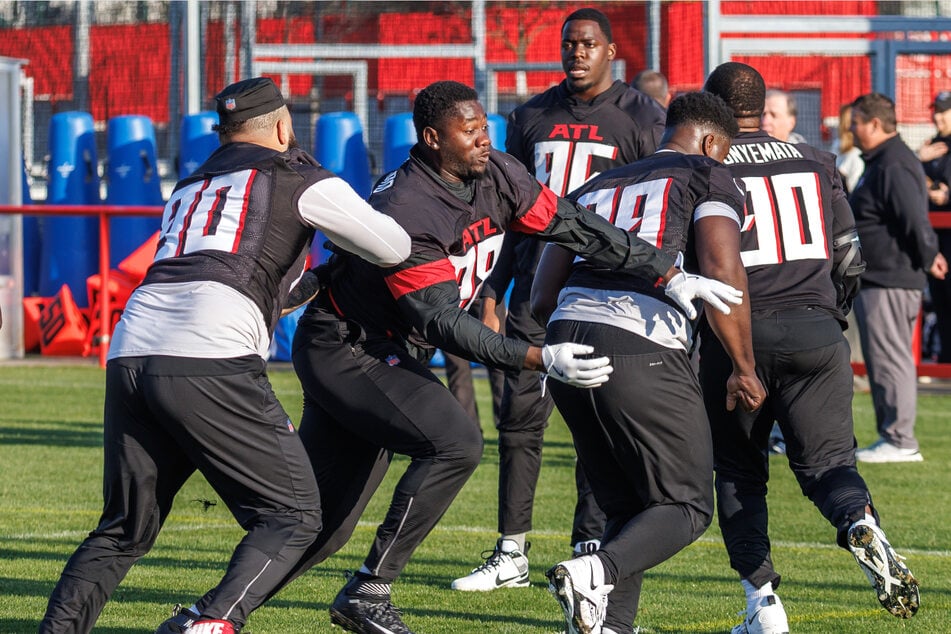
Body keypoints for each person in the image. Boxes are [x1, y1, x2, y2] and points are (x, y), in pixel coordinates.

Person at [177, 80, 737, 634]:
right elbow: (442, 322)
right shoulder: (408, 205)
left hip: (388, 348)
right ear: (431, 138)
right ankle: (370, 590)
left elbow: (571, 224)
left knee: (322, 527)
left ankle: (211, 617)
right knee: (456, 442)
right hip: (348, 346)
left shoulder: (494, 172)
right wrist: (537, 358)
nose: (483, 139)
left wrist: (664, 270)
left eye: (485, 126)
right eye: (469, 132)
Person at [40, 77, 414, 634]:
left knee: (124, 527)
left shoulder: (192, 182)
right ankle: (211, 621)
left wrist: (317, 276)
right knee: (293, 515)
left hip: (133, 346)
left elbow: (251, 279)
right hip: (208, 352)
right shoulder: (297, 174)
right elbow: (394, 246)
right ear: (284, 127)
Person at [451, 7, 669, 592]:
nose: (577, 53)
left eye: (588, 44)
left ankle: (589, 544)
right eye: (569, 43)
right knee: (519, 420)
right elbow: (504, 208)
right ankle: (511, 551)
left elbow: (658, 207)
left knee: (599, 422)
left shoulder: (645, 118)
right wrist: (494, 285)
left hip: (604, 292)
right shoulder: (531, 114)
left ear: (611, 52)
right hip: (534, 289)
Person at [530, 91, 764, 634]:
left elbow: (542, 294)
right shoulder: (706, 172)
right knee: (686, 506)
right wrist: (743, 365)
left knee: (630, 504)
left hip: (566, 340)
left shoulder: (596, 184)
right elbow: (722, 271)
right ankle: (595, 569)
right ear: (711, 143)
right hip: (639, 342)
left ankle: (612, 624)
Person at [703, 63, 920, 633]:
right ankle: (856, 522)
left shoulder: (708, 166)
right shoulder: (819, 160)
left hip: (739, 339)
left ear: (714, 108)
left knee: (739, 472)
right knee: (829, 464)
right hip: (817, 331)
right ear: (762, 105)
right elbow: (849, 257)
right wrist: (830, 317)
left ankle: (762, 606)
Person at [849, 92, 948, 463]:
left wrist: (929, 256)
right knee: (884, 358)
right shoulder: (887, 160)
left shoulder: (894, 163)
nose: (853, 129)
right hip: (882, 277)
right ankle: (894, 435)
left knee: (890, 358)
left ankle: (900, 439)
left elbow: (913, 219)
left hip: (890, 278)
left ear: (875, 124)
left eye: (857, 121)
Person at [918, 90, 951, 363]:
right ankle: (945, 357)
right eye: (936, 111)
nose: (937, 116)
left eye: (943, 111)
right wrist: (919, 160)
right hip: (935, 236)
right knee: (940, 297)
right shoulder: (931, 146)